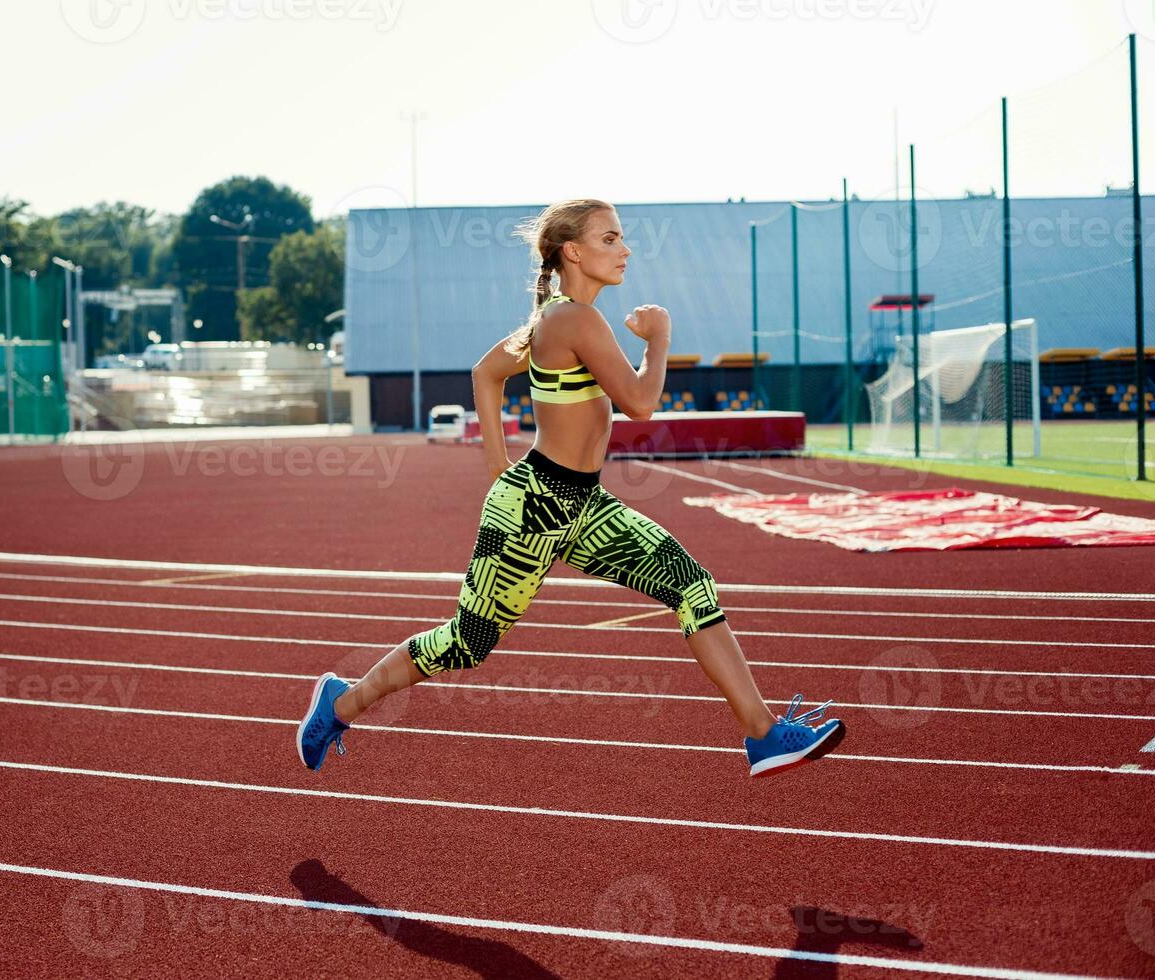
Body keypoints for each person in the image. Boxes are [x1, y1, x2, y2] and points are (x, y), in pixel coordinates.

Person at [298, 199, 844, 778]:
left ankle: (762, 735)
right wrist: (659, 340)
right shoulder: (573, 320)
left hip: (583, 502)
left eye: (623, 238)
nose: (625, 249)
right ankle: (340, 701)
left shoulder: (556, 319)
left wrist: (495, 469)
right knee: (467, 643)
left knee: (690, 586)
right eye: (610, 239)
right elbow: (639, 403)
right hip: (532, 507)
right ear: (574, 252)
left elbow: (486, 373)